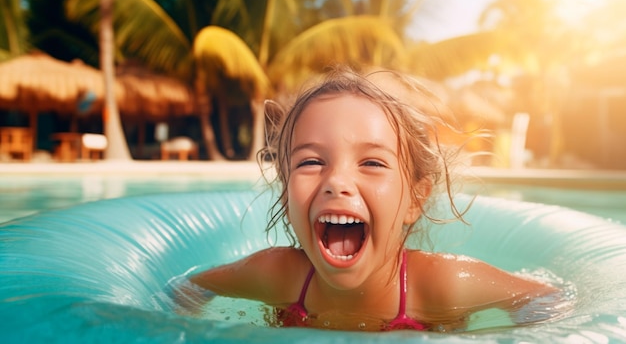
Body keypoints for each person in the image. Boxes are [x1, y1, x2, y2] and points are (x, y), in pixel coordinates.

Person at [172, 66, 565, 332]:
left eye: (372, 163)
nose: (337, 181)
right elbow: (188, 289)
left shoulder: (441, 285)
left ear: (415, 198)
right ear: (286, 190)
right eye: (310, 161)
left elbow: (545, 299)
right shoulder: (281, 275)